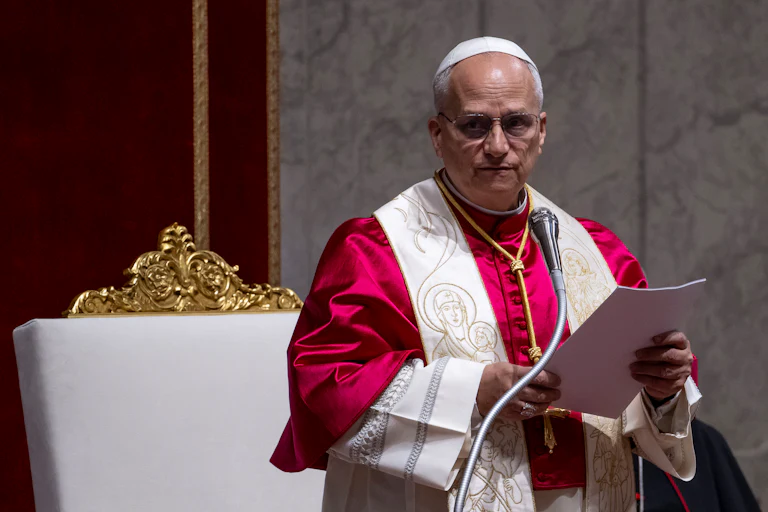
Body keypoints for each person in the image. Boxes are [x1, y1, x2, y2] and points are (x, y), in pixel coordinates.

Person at [271, 36, 701, 512]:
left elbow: (639, 399)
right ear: (437, 134)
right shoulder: (374, 251)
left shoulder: (597, 251)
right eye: (475, 125)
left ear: (541, 130)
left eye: (516, 123)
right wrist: (471, 391)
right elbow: (325, 388)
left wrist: (663, 389)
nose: (498, 146)